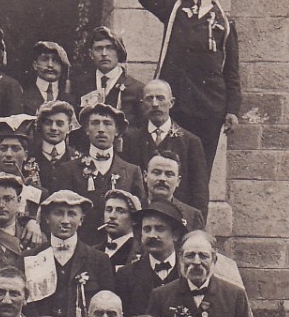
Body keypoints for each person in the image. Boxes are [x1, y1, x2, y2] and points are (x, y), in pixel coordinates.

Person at [115, 0, 241, 174]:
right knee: (164, 167)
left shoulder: (225, 23)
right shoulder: (174, 10)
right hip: (174, 106)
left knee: (198, 173)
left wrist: (232, 110)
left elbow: (232, 72)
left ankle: (196, 216)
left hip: (208, 110)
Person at [26, 190, 116, 317]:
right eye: (58, 213)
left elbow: (107, 305)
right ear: (47, 218)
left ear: (81, 219)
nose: (65, 221)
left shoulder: (98, 260)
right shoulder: (31, 258)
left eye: (72, 214)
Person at [125, 81, 210, 216]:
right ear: (142, 104)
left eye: (160, 98)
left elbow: (200, 192)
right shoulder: (131, 140)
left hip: (178, 218)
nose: (155, 104)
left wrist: (195, 226)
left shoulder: (190, 142)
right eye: (149, 98)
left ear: (171, 102)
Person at [74, 104, 143, 233]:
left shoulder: (132, 172)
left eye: (107, 123)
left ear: (117, 130)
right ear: (86, 129)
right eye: (95, 123)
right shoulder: (68, 170)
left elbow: (139, 217)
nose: (101, 129)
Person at [77, 25, 145, 131]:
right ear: (91, 54)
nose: (104, 54)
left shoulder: (137, 88)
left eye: (110, 48)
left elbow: (141, 128)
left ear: (119, 52)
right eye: (99, 49)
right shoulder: (79, 85)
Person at [140, 151, 206, 233]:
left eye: (169, 174)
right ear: (145, 176)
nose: (162, 179)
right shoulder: (134, 209)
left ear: (178, 181)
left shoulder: (192, 216)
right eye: (156, 173)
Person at [90, 188, 141, 268]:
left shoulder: (143, 252)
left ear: (134, 219)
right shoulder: (92, 252)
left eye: (120, 211)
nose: (112, 216)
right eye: (108, 210)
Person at [21, 40, 72, 115]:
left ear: (62, 66)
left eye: (55, 60)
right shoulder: (22, 97)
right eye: (44, 59)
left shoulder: (71, 98)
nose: (50, 65)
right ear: (35, 65)